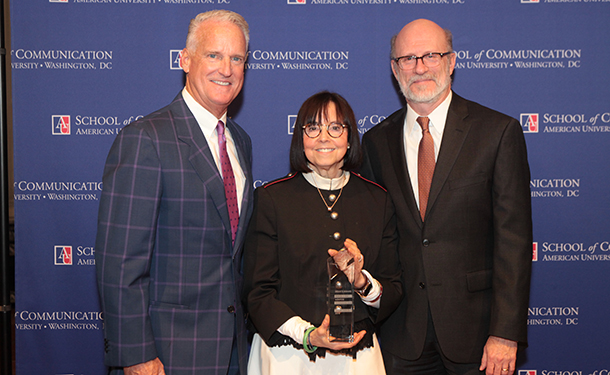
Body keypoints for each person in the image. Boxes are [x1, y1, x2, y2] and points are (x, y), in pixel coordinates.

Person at [360, 19, 533, 375]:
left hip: (479, 336)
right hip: (401, 336)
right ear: (395, 69)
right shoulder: (375, 142)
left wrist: (505, 333)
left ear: (452, 62)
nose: (419, 67)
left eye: (431, 55)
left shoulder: (497, 132)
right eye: (407, 58)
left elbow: (514, 242)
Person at [95, 10, 253, 375]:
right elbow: (120, 263)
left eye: (237, 58)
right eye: (213, 55)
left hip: (233, 351)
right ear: (185, 60)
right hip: (167, 355)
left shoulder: (240, 142)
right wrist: (135, 356)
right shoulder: (145, 139)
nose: (226, 69)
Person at [243, 91, 403, 375]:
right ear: (300, 137)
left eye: (335, 127)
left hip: (358, 360)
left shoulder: (378, 200)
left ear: (350, 137)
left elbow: (394, 288)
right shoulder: (272, 198)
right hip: (286, 358)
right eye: (313, 127)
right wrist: (307, 335)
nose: (324, 137)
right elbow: (258, 292)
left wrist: (361, 282)